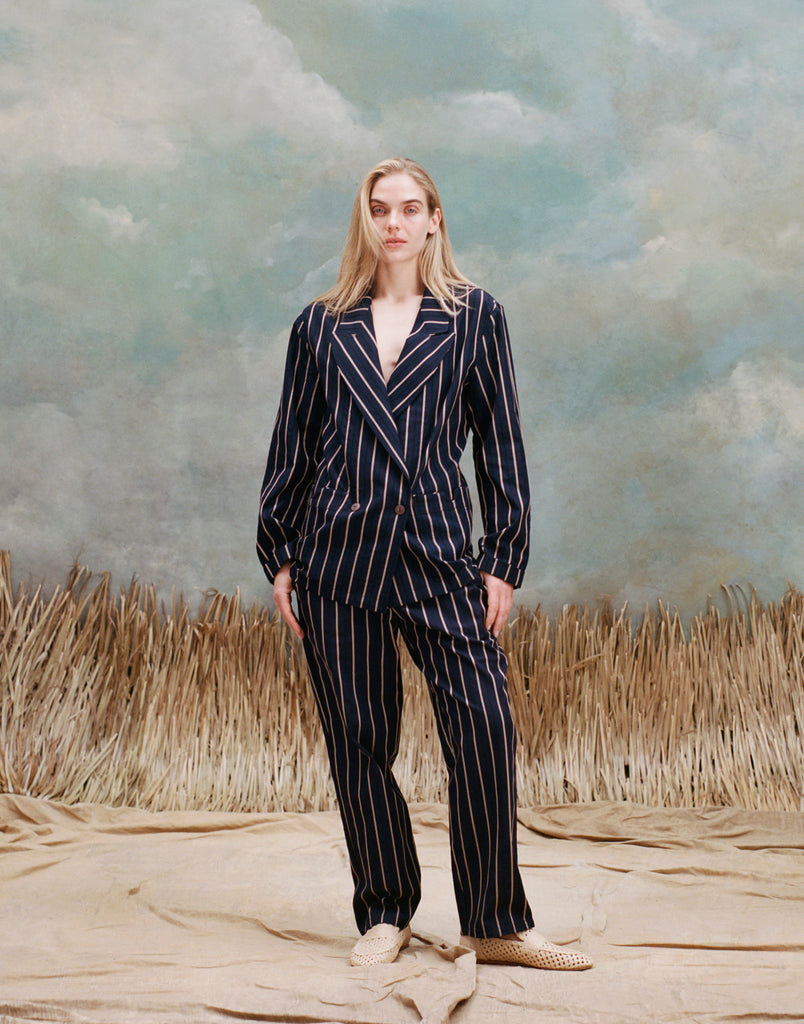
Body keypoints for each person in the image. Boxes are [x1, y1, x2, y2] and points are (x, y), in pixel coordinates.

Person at [257, 157, 592, 971]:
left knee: (483, 725)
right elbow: (292, 448)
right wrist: (281, 554)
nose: (396, 223)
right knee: (358, 739)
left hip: (443, 555)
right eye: (380, 209)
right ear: (364, 222)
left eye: (411, 208)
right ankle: (384, 911)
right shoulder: (321, 325)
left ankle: (496, 921)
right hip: (339, 555)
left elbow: (500, 445)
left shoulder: (475, 317)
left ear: (436, 219)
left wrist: (504, 558)